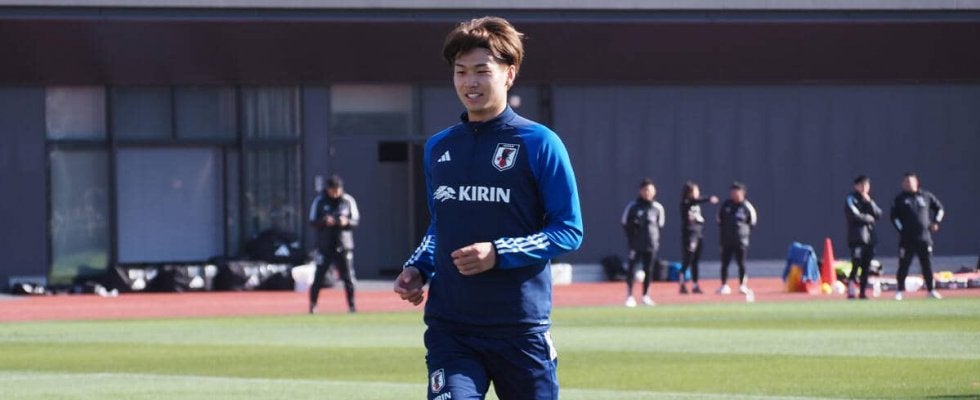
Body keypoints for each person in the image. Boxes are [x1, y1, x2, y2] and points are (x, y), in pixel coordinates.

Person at [392, 16, 583, 400]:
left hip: (520, 329)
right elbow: (441, 225)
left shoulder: (540, 143)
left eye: (482, 71)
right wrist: (419, 267)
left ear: (509, 74)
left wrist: (498, 253)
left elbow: (568, 230)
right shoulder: (439, 147)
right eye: (460, 71)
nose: (470, 82)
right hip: (452, 328)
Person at [308, 175, 360, 314]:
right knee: (319, 277)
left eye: (338, 189)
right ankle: (313, 305)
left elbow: (355, 220)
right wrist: (325, 221)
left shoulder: (347, 200)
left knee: (348, 278)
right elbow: (312, 220)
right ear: (328, 189)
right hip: (325, 246)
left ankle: (352, 306)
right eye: (333, 190)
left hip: (343, 245)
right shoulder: (320, 201)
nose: (336, 193)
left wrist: (346, 222)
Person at [890, 172, 945, 301]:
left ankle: (931, 290)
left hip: (924, 238)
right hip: (907, 239)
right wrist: (902, 229)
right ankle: (899, 291)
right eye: (905, 182)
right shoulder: (900, 199)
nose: (907, 184)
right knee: (904, 265)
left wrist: (936, 222)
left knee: (927, 264)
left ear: (916, 182)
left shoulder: (926, 196)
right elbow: (894, 217)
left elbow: (940, 209)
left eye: (910, 182)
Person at [620, 178, 665, 307]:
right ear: (640, 191)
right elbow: (624, 222)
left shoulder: (657, 207)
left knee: (649, 270)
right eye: (645, 190)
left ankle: (646, 296)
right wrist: (632, 235)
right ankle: (629, 296)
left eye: (650, 190)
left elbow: (660, 224)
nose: (647, 193)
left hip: (651, 244)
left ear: (654, 191)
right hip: (635, 245)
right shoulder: (633, 206)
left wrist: (654, 239)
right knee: (632, 269)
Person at [844, 175, 882, 300]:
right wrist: (870, 219)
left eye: (866, 185)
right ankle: (851, 290)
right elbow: (854, 215)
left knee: (866, 266)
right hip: (857, 237)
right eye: (862, 185)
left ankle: (862, 292)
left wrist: (869, 202)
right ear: (856, 186)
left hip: (870, 238)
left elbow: (878, 214)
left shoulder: (869, 200)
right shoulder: (851, 198)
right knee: (856, 263)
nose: (864, 188)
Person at [717, 181, 757, 296]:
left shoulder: (746, 206)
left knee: (741, 263)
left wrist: (743, 232)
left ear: (742, 193)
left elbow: (752, 222)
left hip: (741, 240)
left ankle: (742, 285)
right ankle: (724, 285)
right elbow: (719, 220)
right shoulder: (726, 205)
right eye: (732, 192)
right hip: (726, 240)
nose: (734, 194)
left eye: (736, 192)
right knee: (725, 263)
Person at [679, 181, 718, 295]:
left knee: (695, 260)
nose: (697, 193)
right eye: (695, 191)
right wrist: (709, 199)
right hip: (690, 234)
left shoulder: (695, 204)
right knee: (687, 259)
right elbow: (695, 201)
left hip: (698, 233)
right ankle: (682, 283)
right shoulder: (686, 202)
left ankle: (695, 284)